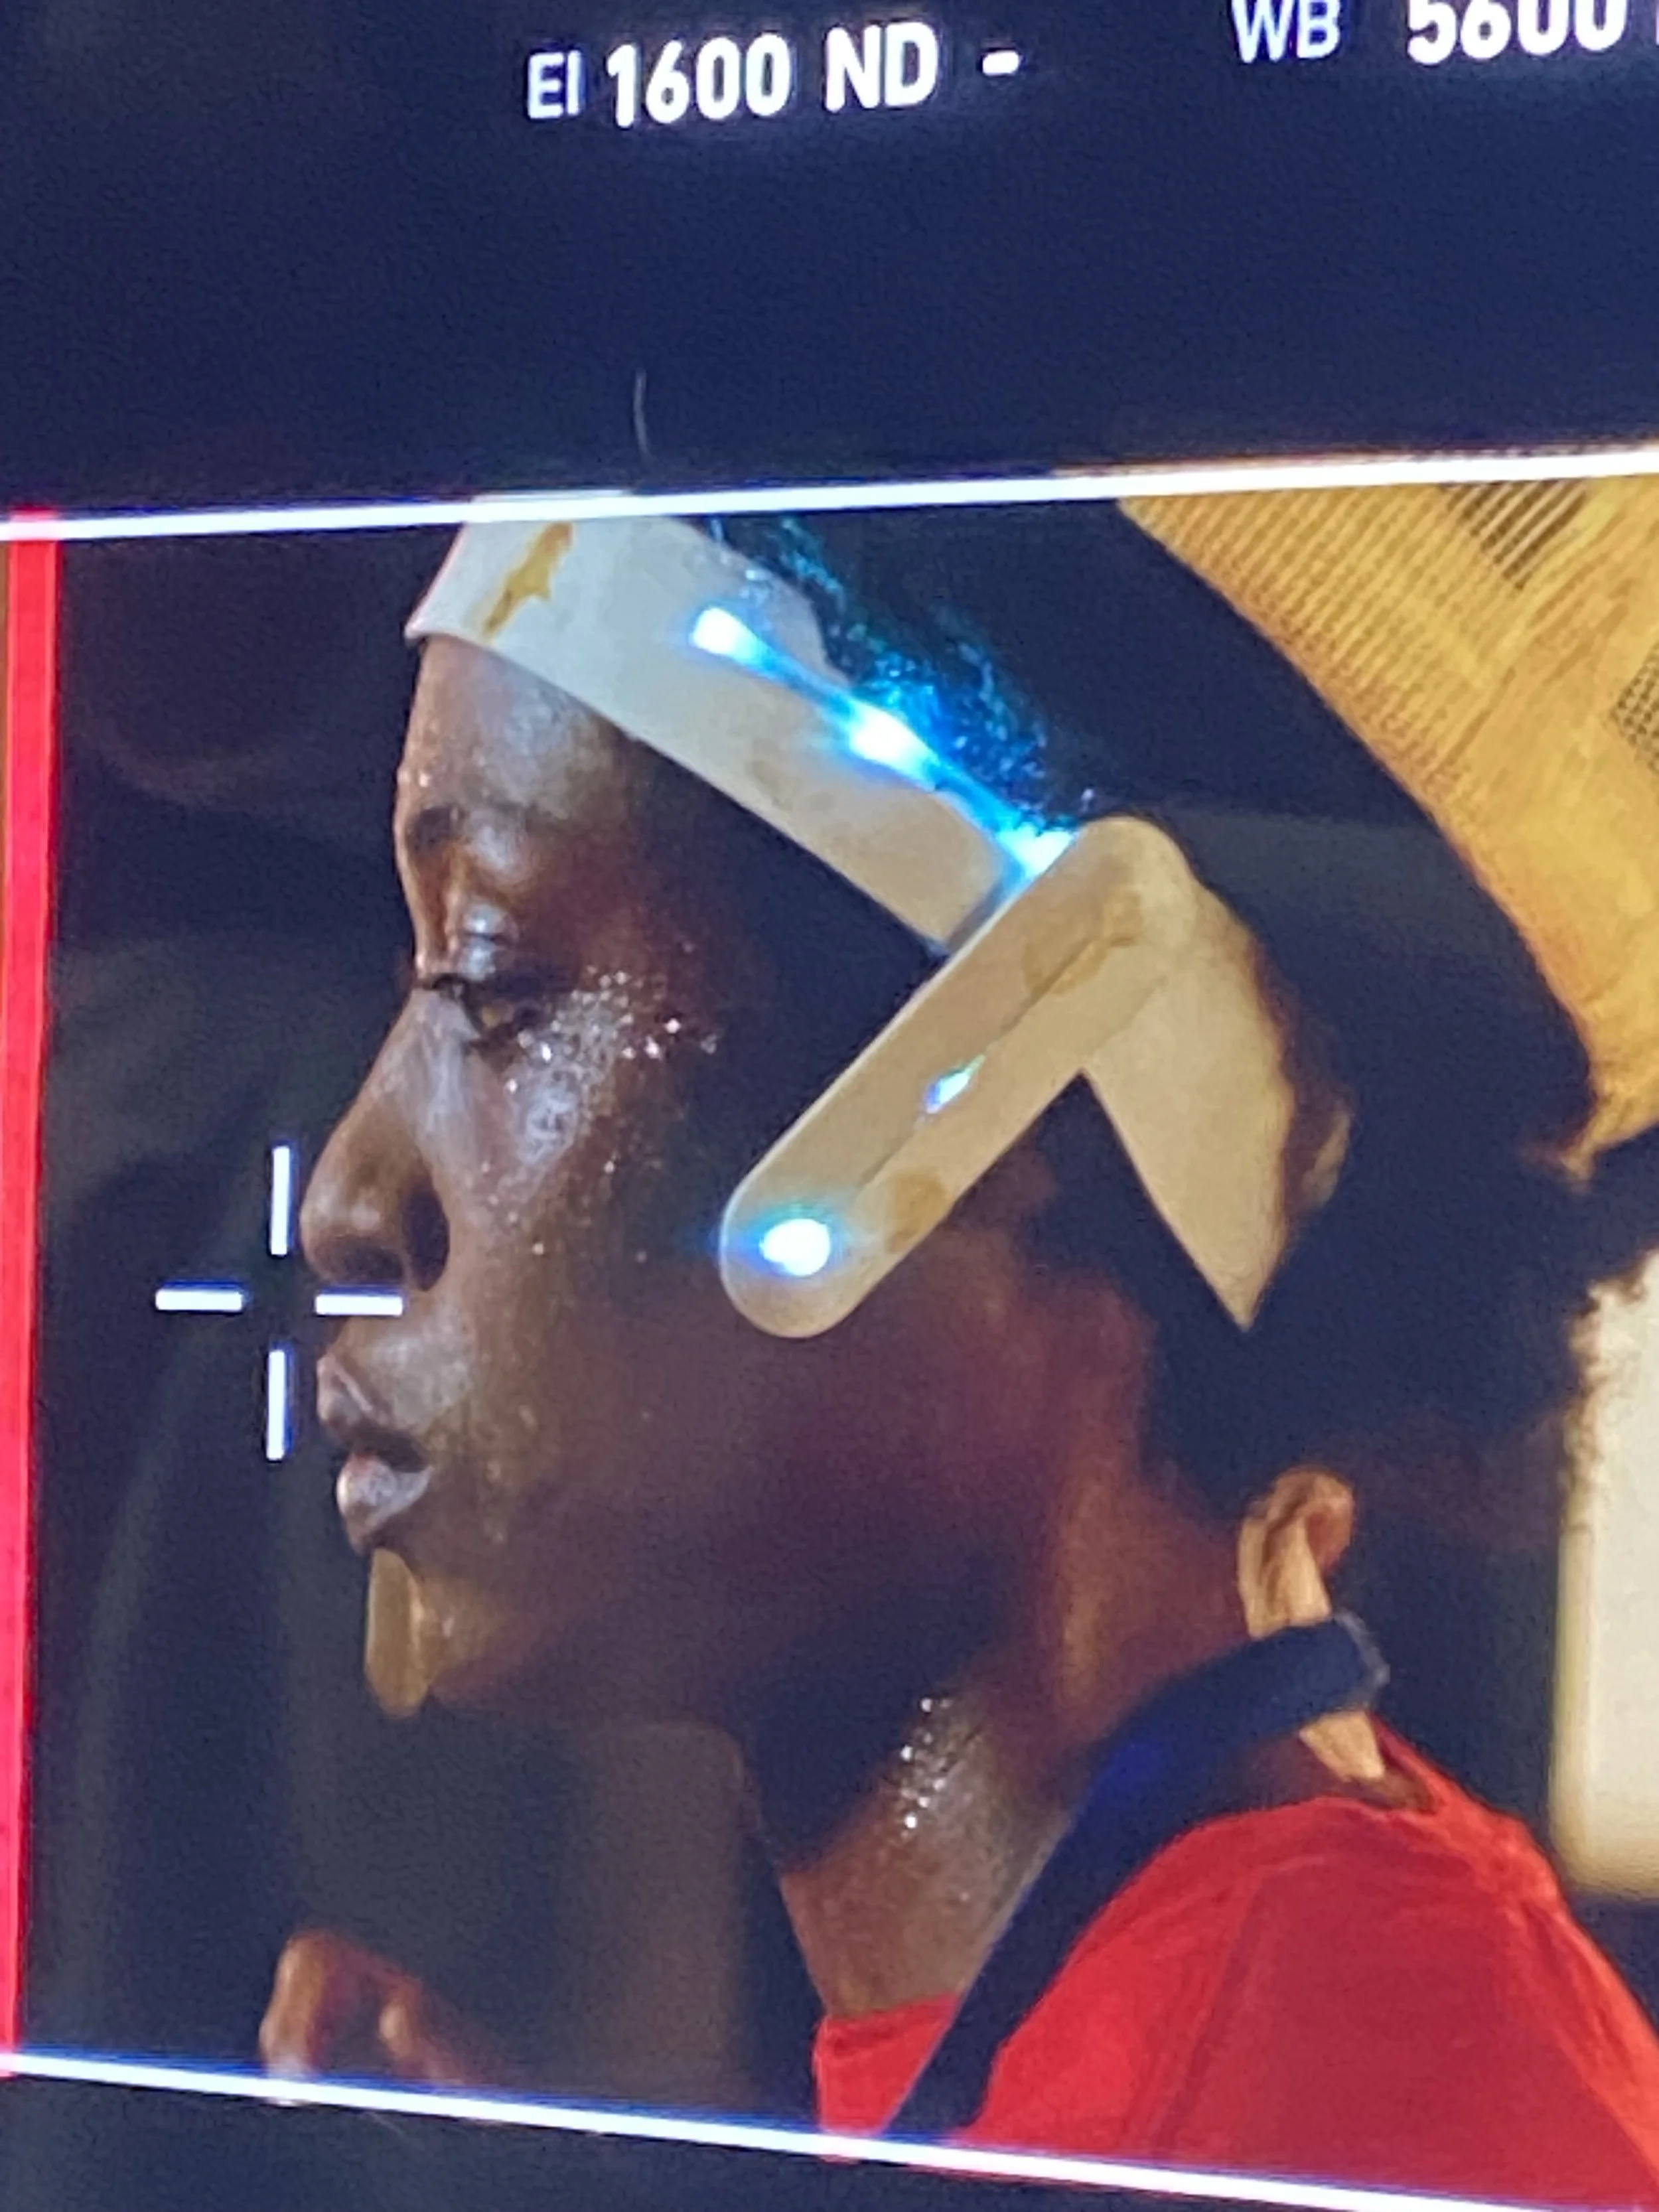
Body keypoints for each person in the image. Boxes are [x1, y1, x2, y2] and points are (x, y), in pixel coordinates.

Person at [261, 489, 1659, 2199]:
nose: (348, 1198)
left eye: (494, 980)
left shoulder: (1323, 2130)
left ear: (996, 1089)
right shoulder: (1247, 2018)